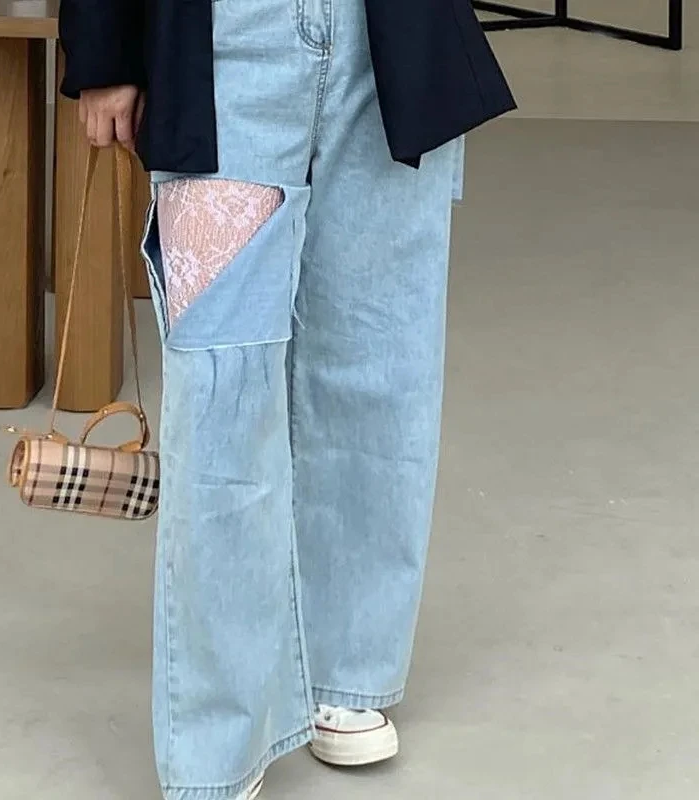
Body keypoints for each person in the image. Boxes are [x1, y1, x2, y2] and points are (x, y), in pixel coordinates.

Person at [59, 0, 514, 798]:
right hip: (222, 43)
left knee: (379, 366)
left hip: (390, 43)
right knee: (221, 385)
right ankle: (218, 733)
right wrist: (104, 50)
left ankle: (347, 669)